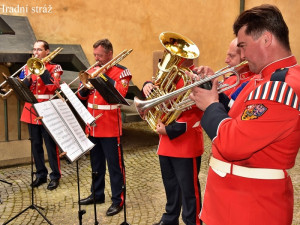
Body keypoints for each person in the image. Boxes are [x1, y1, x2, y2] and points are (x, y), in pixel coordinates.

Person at [189, 4, 300, 225]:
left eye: (243, 46)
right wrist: (213, 89)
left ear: (266, 39)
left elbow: (233, 143)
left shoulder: (279, 86)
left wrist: (210, 106)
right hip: (233, 201)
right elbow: (235, 116)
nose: (242, 54)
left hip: (248, 207)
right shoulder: (263, 79)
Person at [143, 59, 204, 225]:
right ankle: (170, 218)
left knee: (189, 190)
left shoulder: (196, 76)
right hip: (165, 143)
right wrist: (147, 85)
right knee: (170, 185)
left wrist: (169, 130)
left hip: (185, 142)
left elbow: (196, 111)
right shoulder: (172, 73)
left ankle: (193, 221)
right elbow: (156, 83)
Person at [78, 39, 132, 217]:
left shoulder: (121, 72)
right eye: (94, 55)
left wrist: (102, 75)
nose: (96, 59)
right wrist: (85, 90)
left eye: (99, 56)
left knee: (115, 166)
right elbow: (81, 94)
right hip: (93, 124)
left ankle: (118, 200)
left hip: (109, 125)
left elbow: (119, 94)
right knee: (96, 163)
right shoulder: (91, 70)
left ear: (110, 54)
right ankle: (97, 194)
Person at [20, 40, 63, 190]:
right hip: (32, 109)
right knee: (36, 144)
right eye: (34, 50)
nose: (36, 52)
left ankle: (55, 176)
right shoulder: (27, 67)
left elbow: (53, 87)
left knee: (50, 146)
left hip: (47, 109)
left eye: (39, 50)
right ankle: (40, 174)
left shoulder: (54, 67)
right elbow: (21, 87)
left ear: (47, 52)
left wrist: (42, 70)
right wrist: (30, 75)